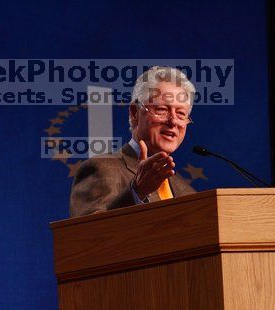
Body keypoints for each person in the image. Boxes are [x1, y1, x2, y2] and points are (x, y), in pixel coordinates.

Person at [69, 66, 197, 217]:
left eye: (181, 113)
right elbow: (87, 236)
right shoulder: (101, 169)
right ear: (135, 113)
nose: (173, 121)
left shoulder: (187, 191)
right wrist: (137, 192)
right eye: (162, 109)